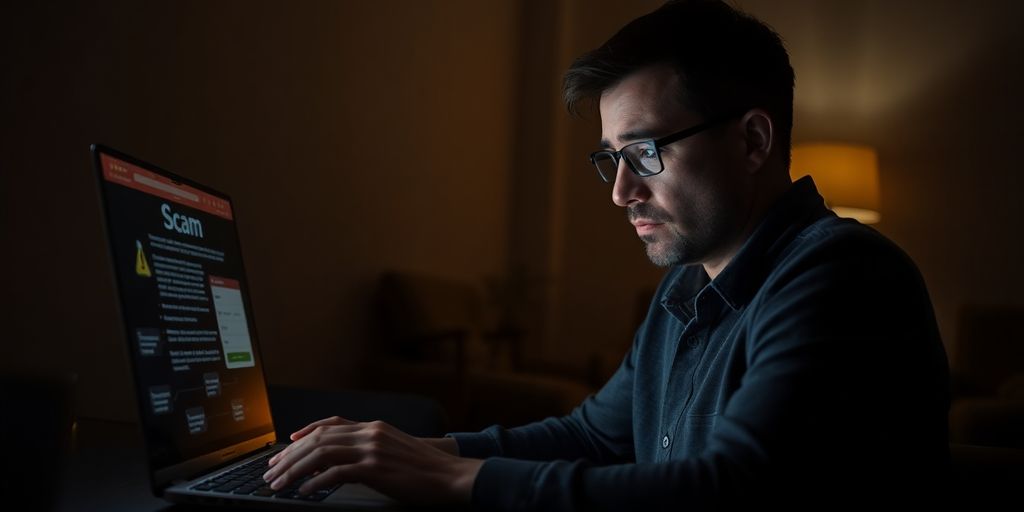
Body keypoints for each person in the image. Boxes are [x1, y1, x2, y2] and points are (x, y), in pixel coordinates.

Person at [261, 1, 951, 509]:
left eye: (644, 152)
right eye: (611, 159)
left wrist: (447, 477)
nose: (621, 191)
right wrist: (407, 450)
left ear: (753, 142)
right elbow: (594, 437)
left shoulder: (842, 275)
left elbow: (732, 490)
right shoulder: (684, 289)